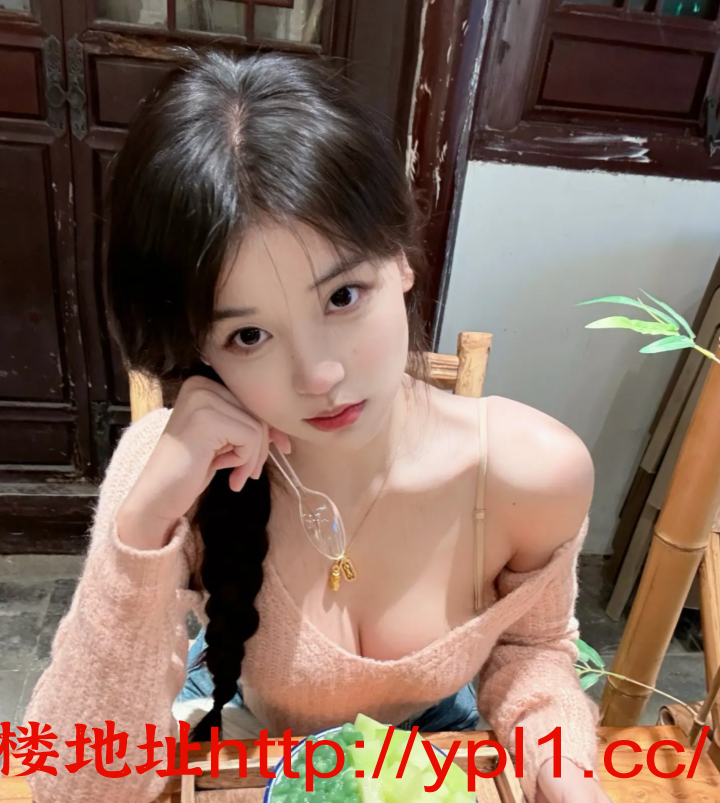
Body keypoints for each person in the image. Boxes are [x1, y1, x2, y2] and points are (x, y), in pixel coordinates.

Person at [22, 50, 608, 803]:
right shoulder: (180, 473)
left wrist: (565, 771)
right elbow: (73, 787)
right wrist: (142, 523)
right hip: (245, 743)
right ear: (198, 348)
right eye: (248, 335)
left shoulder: (530, 472)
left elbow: (531, 648)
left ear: (400, 257)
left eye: (342, 296)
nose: (319, 375)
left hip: (434, 751)